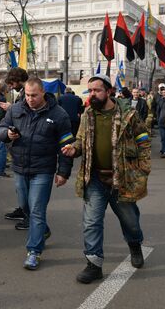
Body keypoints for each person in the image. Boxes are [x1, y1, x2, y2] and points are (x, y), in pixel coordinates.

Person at [61, 73, 150, 284]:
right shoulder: (87, 114)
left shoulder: (128, 114)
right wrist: (73, 149)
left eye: (97, 90)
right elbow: (81, 140)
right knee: (91, 222)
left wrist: (143, 168)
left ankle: (135, 245)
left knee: (131, 222)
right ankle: (94, 264)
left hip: (123, 178)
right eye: (90, 90)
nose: (92, 94)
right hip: (95, 179)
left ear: (109, 91)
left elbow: (142, 139)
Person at [0, 76, 73, 270]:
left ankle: (34, 251)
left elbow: (67, 145)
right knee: (26, 207)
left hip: (43, 169)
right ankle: (43, 231)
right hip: (20, 167)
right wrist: (7, 134)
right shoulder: (15, 109)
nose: (30, 99)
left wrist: (63, 171)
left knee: (37, 210)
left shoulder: (59, 114)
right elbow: (0, 129)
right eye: (28, 95)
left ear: (43, 94)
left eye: (34, 95)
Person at [2, 67, 29, 221]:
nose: (11, 86)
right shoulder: (22, 93)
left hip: (26, 144)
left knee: (24, 184)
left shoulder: (28, 93)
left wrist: (11, 108)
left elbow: (26, 113)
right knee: (21, 185)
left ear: (18, 80)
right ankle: (23, 209)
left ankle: (27, 214)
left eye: (12, 83)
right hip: (19, 144)